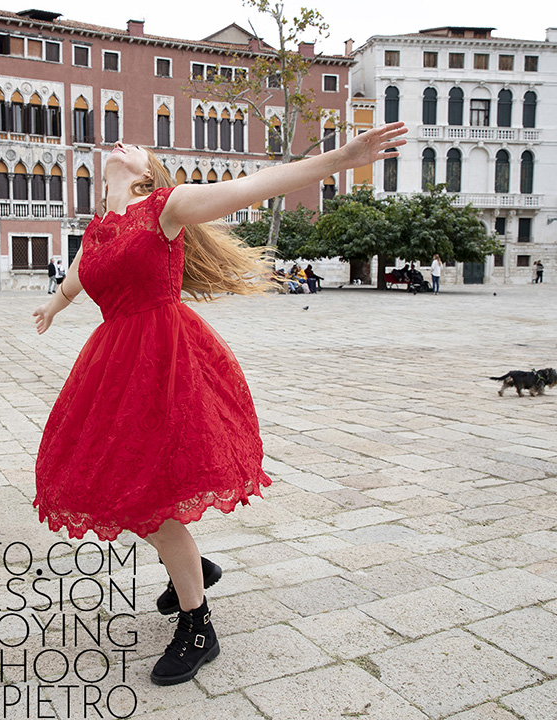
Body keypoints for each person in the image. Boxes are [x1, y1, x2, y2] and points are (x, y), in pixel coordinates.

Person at [32, 122, 407, 686]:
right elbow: (76, 281)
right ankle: (194, 567)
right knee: (117, 482)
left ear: (145, 174)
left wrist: (340, 159)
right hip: (114, 365)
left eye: (134, 147)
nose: (121, 145)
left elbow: (258, 185)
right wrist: (52, 308)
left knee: (152, 498)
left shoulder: (167, 205)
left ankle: (198, 627)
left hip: (165, 361)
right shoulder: (95, 232)